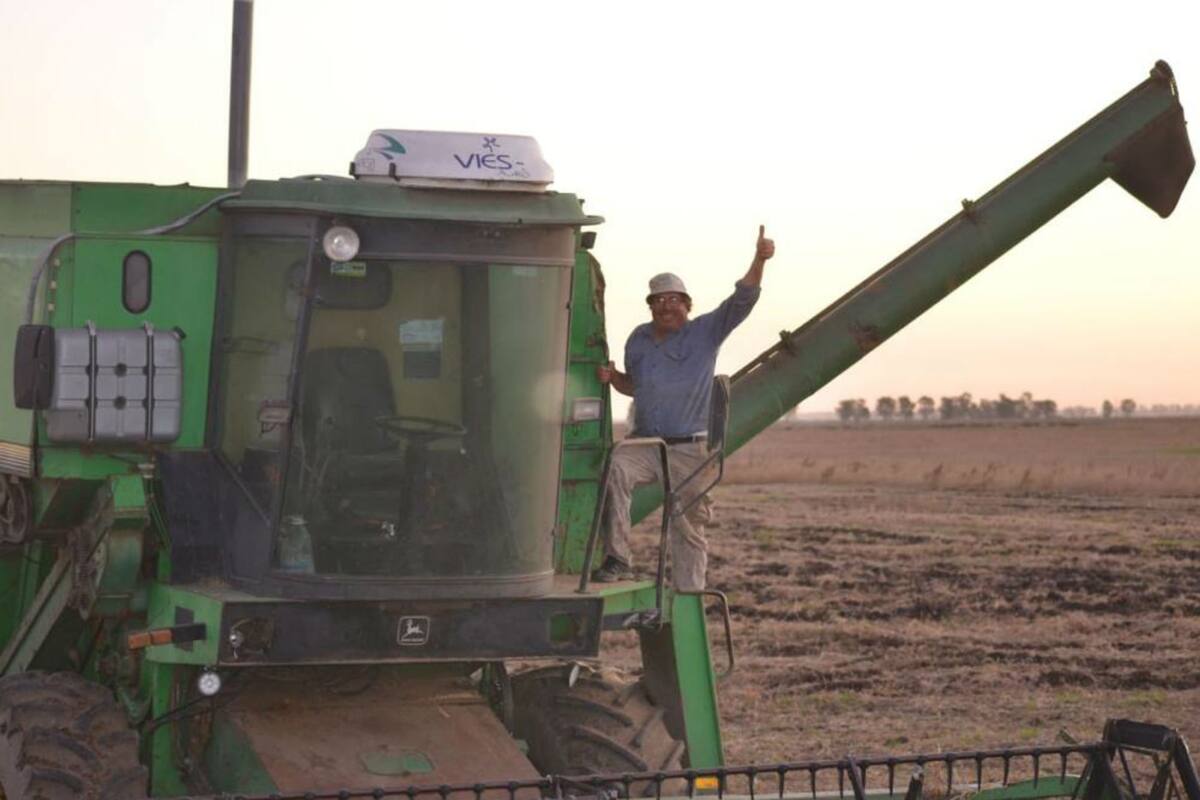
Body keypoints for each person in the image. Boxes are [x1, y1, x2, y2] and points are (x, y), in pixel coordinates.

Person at [592, 225, 775, 590]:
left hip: (691, 449)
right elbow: (637, 387)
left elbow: (743, 299)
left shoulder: (706, 331)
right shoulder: (638, 340)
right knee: (615, 470)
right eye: (659, 300)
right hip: (645, 445)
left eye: (674, 300)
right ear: (650, 306)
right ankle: (618, 559)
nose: (666, 306)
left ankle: (689, 591)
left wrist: (759, 259)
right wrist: (614, 379)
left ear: (688, 306)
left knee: (687, 524)